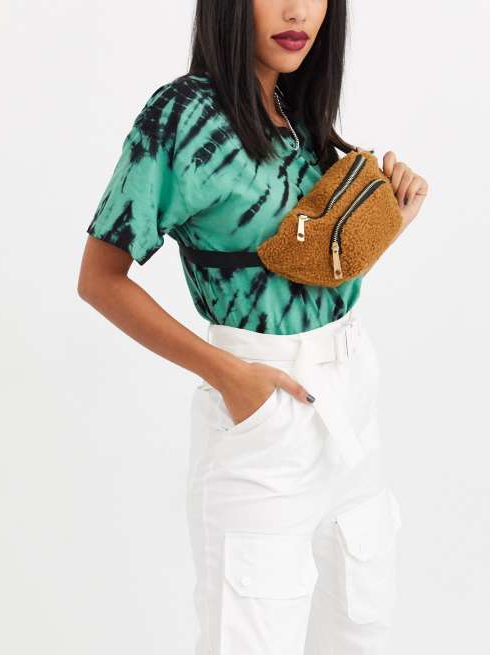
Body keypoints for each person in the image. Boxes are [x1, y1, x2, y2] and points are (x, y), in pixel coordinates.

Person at [78, 1, 428, 653]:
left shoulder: (295, 106)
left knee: (361, 627)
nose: (298, 11)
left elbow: (296, 266)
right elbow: (100, 278)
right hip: (263, 414)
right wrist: (231, 377)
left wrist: (389, 220)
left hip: (352, 402)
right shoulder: (182, 117)